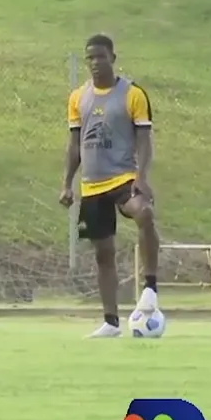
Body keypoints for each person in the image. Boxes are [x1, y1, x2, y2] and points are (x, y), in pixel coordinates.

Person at [60, 34, 159, 338]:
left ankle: (151, 288)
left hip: (123, 178)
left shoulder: (133, 94)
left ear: (113, 58)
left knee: (143, 213)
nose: (94, 62)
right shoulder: (78, 98)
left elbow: (144, 140)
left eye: (100, 56)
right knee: (103, 253)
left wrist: (141, 177)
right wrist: (66, 183)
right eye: (89, 57)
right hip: (92, 185)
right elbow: (75, 144)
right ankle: (111, 322)